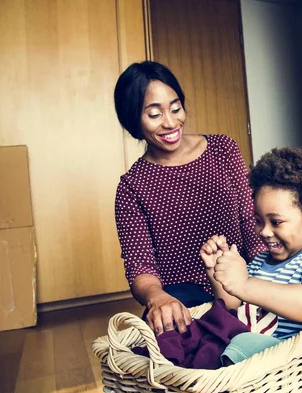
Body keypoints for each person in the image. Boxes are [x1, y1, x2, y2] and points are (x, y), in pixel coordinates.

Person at [113, 61, 266, 336]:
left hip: (242, 279)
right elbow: (140, 267)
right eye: (154, 114)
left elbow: (250, 221)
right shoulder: (132, 187)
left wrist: (267, 280)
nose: (171, 122)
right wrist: (158, 298)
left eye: (175, 108)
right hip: (185, 298)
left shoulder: (223, 149)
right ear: (132, 118)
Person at [200, 146, 302, 342]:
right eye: (259, 221)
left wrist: (245, 284)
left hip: (288, 355)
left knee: (237, 344)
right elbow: (234, 309)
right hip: (247, 348)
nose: (264, 231)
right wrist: (217, 272)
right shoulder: (259, 262)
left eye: (276, 222)